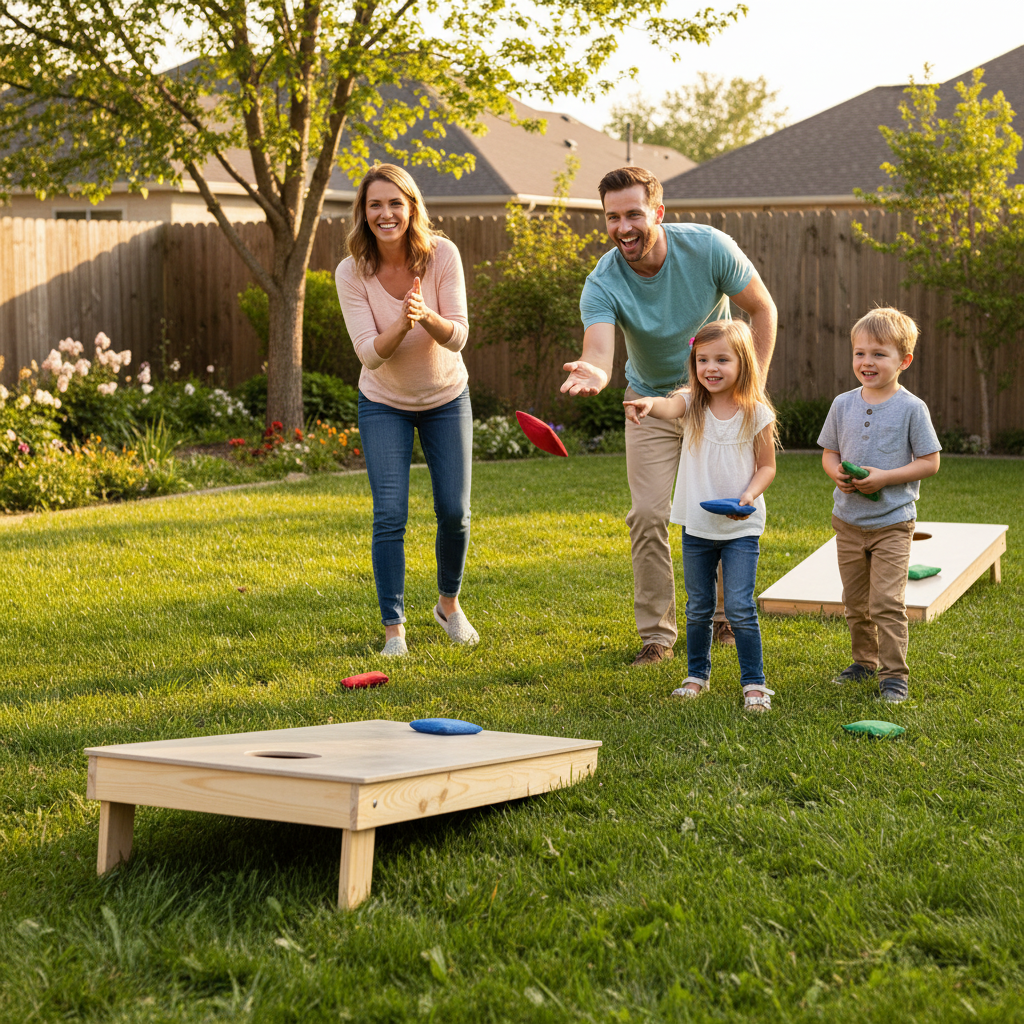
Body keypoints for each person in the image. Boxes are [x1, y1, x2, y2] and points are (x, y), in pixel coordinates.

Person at [562, 166, 777, 665]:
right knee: (648, 514)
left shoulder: (708, 248)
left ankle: (725, 616)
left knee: (725, 503)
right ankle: (657, 635)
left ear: (657, 212)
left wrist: (752, 390)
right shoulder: (603, 280)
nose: (623, 228)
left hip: (717, 400)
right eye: (612, 218)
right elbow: (597, 347)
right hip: (649, 402)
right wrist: (594, 371)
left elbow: (761, 309)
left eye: (634, 214)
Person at [335, 164, 478, 656]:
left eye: (395, 203)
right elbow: (371, 353)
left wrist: (427, 317)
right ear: (364, 212)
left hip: (445, 397)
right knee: (390, 514)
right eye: (375, 205)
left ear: (412, 207)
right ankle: (394, 630)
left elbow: (458, 336)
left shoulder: (442, 255)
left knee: (454, 512)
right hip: (383, 404)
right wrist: (401, 323)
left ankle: (448, 606)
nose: (385, 213)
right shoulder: (352, 270)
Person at [624, 320, 778, 711]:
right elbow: (668, 404)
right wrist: (648, 403)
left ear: (743, 363)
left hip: (741, 527)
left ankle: (754, 684)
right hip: (697, 526)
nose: (711, 368)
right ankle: (697, 675)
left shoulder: (756, 414)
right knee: (698, 607)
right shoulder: (692, 404)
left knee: (740, 607)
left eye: (722, 359)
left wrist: (749, 494)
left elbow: (767, 467)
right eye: (703, 359)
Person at [818, 307, 941, 703]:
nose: (866, 362)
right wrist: (836, 473)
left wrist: (884, 477)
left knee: (886, 602)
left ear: (903, 360)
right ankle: (863, 662)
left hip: (892, 523)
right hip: (848, 521)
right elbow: (829, 452)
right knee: (855, 602)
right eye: (860, 353)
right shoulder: (842, 404)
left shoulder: (911, 408)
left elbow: (930, 462)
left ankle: (894, 676)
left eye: (878, 354)